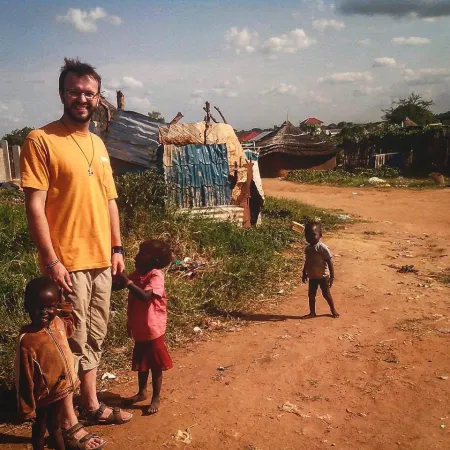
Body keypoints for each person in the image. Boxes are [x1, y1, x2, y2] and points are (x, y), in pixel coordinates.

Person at [20, 58, 132, 428]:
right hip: (67, 262)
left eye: (89, 93)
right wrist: (51, 261)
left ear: (98, 98)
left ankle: (92, 404)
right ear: (62, 94)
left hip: (102, 259)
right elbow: (35, 205)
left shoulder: (98, 143)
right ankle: (68, 421)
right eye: (75, 91)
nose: (82, 98)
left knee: (95, 336)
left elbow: (109, 201)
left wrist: (117, 248)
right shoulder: (41, 140)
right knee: (69, 340)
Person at [15, 277, 106, 450]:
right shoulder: (27, 340)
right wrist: (27, 408)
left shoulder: (57, 323)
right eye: (39, 307)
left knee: (55, 426)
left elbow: (70, 327)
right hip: (43, 396)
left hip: (61, 389)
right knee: (40, 429)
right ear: (27, 307)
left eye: (50, 307)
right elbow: (23, 376)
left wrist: (64, 306)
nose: (44, 312)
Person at [114, 240, 173, 415]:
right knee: (142, 363)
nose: (136, 256)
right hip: (140, 328)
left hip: (153, 329)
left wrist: (127, 282)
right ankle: (141, 392)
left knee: (155, 365)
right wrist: (115, 276)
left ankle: (156, 396)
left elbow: (145, 296)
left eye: (142, 253)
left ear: (154, 261)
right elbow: (119, 285)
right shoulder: (137, 274)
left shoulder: (156, 275)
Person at [301, 221, 340, 318]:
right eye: (307, 235)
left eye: (313, 235)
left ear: (320, 235)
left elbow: (329, 261)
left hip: (323, 276)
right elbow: (307, 261)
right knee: (311, 295)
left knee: (326, 295)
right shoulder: (308, 249)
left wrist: (332, 276)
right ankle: (312, 312)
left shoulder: (322, 247)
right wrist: (304, 272)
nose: (309, 237)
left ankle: (333, 310)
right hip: (312, 276)